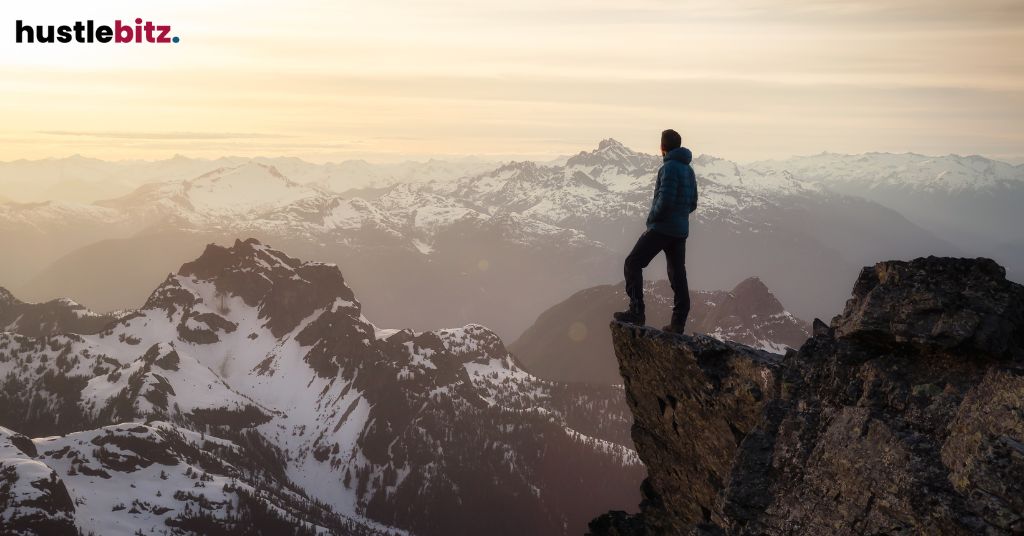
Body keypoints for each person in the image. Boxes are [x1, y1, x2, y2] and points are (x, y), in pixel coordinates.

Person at [614, 129, 698, 334]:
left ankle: (637, 311)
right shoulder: (689, 170)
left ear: (662, 147)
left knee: (632, 262)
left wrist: (653, 218)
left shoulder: (668, 168)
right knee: (678, 274)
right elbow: (693, 203)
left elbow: (665, 200)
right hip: (680, 231)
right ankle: (678, 323)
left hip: (662, 228)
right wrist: (680, 217)